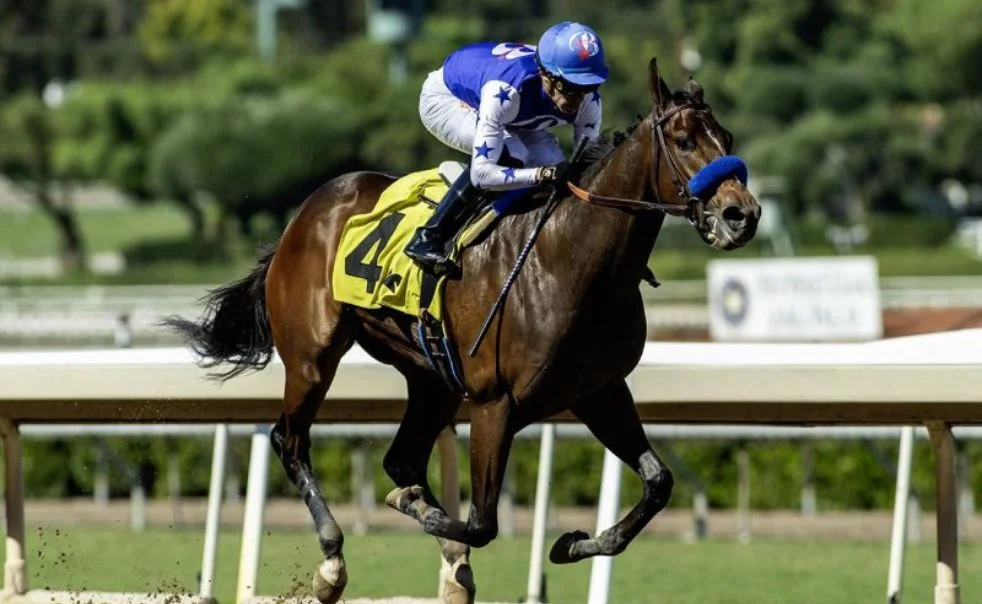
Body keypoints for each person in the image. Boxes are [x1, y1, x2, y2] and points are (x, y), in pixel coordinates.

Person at [404, 20, 608, 274]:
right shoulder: (506, 90)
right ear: (547, 75)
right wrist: (543, 174)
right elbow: (482, 174)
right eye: (569, 87)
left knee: (555, 162)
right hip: (448, 98)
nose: (577, 99)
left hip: (516, 115)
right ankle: (429, 236)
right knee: (514, 154)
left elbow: (587, 167)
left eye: (588, 87)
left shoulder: (589, 101)